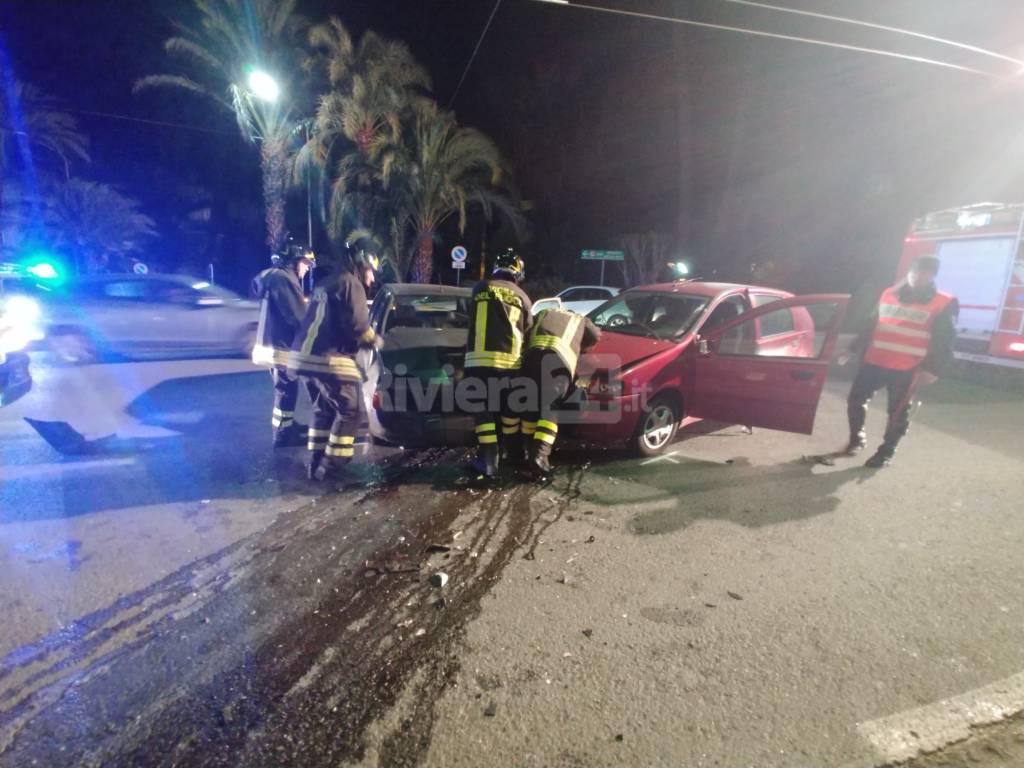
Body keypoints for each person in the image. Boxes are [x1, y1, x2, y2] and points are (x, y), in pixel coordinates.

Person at [845, 254, 958, 468]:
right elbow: (872, 323)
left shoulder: (944, 302)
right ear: (909, 272)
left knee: (897, 412)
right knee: (855, 401)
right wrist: (852, 348)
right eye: (915, 271)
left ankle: (886, 452)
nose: (918, 276)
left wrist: (933, 369)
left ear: (932, 276)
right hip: (875, 361)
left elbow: (946, 340)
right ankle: (856, 440)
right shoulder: (889, 293)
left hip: (908, 367)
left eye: (924, 273)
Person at [287, 251, 382, 481]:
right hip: (327, 357)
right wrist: (375, 341)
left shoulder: (328, 281)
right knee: (352, 409)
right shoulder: (351, 284)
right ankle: (331, 467)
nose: (370, 280)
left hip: (303, 356)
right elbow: (359, 325)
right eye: (370, 272)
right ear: (361, 266)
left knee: (324, 408)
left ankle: (316, 461)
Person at [464, 249, 532, 478]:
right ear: (518, 272)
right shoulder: (523, 297)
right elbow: (528, 332)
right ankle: (513, 454)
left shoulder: (479, 289)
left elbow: (469, 318)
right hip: (510, 367)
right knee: (508, 412)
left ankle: (488, 460)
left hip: (477, 364)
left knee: (483, 413)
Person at [521, 307, 602, 477]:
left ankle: (526, 451)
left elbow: (527, 327)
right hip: (558, 361)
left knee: (531, 403)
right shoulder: (580, 319)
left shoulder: (544, 312)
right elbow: (596, 336)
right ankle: (540, 455)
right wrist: (581, 345)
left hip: (531, 357)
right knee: (551, 406)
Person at [251, 245, 316, 447]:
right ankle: (282, 434)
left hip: (270, 344)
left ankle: (286, 426)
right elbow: (297, 316)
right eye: (305, 264)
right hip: (280, 347)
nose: (306, 269)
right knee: (286, 390)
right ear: (294, 260)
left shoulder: (270, 275)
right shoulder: (285, 280)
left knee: (286, 389)